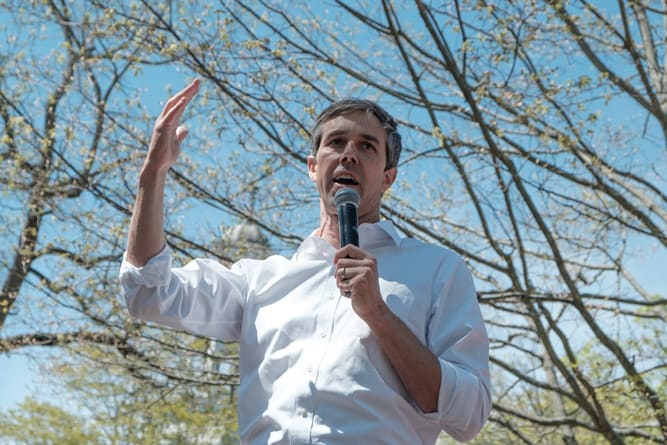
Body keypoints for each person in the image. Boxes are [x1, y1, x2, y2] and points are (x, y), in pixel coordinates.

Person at [119, 79, 491, 444]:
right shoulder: (260, 282)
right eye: (336, 142)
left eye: (367, 146)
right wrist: (153, 174)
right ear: (313, 166)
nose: (349, 154)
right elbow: (148, 291)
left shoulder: (437, 270)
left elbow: (469, 416)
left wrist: (378, 314)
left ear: (388, 178)